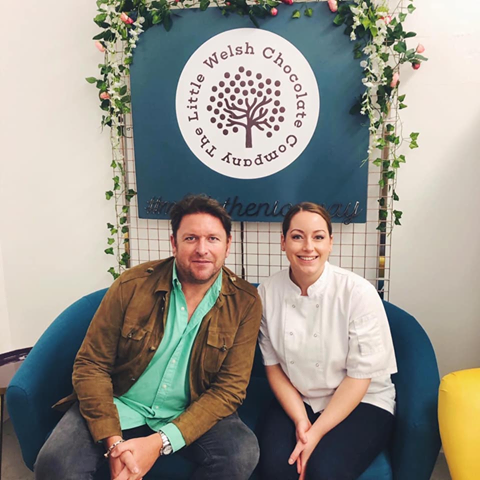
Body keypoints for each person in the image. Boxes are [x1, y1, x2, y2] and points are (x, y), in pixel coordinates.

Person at [35, 194, 262, 480]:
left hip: (191, 407)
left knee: (241, 453)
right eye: (191, 238)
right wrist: (114, 443)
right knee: (55, 463)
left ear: (228, 246)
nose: (202, 249)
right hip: (121, 402)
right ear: (174, 243)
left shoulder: (245, 301)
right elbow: (91, 365)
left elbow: (230, 389)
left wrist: (158, 443)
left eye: (213, 239)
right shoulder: (131, 285)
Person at [257, 202, 397, 480]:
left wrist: (314, 434)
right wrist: (301, 420)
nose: (308, 246)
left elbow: (360, 377)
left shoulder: (358, 293)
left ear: (330, 243)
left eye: (318, 237)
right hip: (299, 397)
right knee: (275, 469)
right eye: (297, 236)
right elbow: (273, 367)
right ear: (283, 242)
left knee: (324, 471)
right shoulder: (266, 293)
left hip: (363, 400)